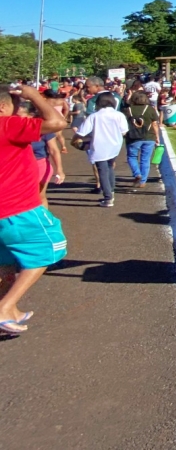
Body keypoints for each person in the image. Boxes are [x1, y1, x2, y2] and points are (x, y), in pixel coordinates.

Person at [0, 85, 69, 335]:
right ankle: (4, 307)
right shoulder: (7, 125)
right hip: (17, 209)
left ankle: (10, 309)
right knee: (50, 247)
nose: (21, 110)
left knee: (5, 260)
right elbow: (57, 122)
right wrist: (34, 96)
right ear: (2, 108)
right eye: (16, 106)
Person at [76, 92, 129, 207]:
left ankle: (108, 197)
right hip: (115, 146)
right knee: (110, 167)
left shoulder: (94, 116)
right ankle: (111, 191)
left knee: (102, 171)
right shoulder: (119, 115)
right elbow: (124, 131)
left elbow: (81, 132)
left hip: (99, 146)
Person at [19, 102, 64, 210]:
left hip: (39, 165)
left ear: (31, 115)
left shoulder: (43, 129)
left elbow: (54, 150)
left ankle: (44, 221)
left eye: (19, 115)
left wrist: (59, 170)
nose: (15, 118)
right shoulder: (14, 129)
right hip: (19, 166)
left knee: (39, 196)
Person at [124, 91, 161, 189]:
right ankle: (143, 181)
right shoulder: (150, 109)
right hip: (149, 137)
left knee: (132, 156)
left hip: (133, 137)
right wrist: (157, 137)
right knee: (145, 159)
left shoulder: (128, 109)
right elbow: (154, 124)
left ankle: (137, 174)